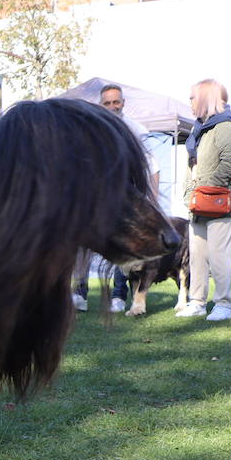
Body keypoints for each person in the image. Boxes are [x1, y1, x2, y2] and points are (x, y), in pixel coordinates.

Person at [71, 83, 161, 312]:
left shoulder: (135, 130)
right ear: (101, 105)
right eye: (107, 103)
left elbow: (152, 167)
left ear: (123, 103)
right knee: (84, 244)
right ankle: (79, 292)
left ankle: (118, 295)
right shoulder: (91, 130)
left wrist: (153, 201)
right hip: (95, 199)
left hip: (125, 201)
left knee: (124, 245)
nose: (112, 106)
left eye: (116, 102)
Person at [179, 79, 231, 321]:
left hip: (222, 202)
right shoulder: (200, 128)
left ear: (206, 97)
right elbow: (194, 165)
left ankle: (223, 304)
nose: (189, 102)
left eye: (192, 97)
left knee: (220, 255)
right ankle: (197, 301)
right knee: (197, 255)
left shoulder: (226, 126)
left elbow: (230, 164)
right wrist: (191, 194)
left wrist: (205, 189)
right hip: (199, 203)